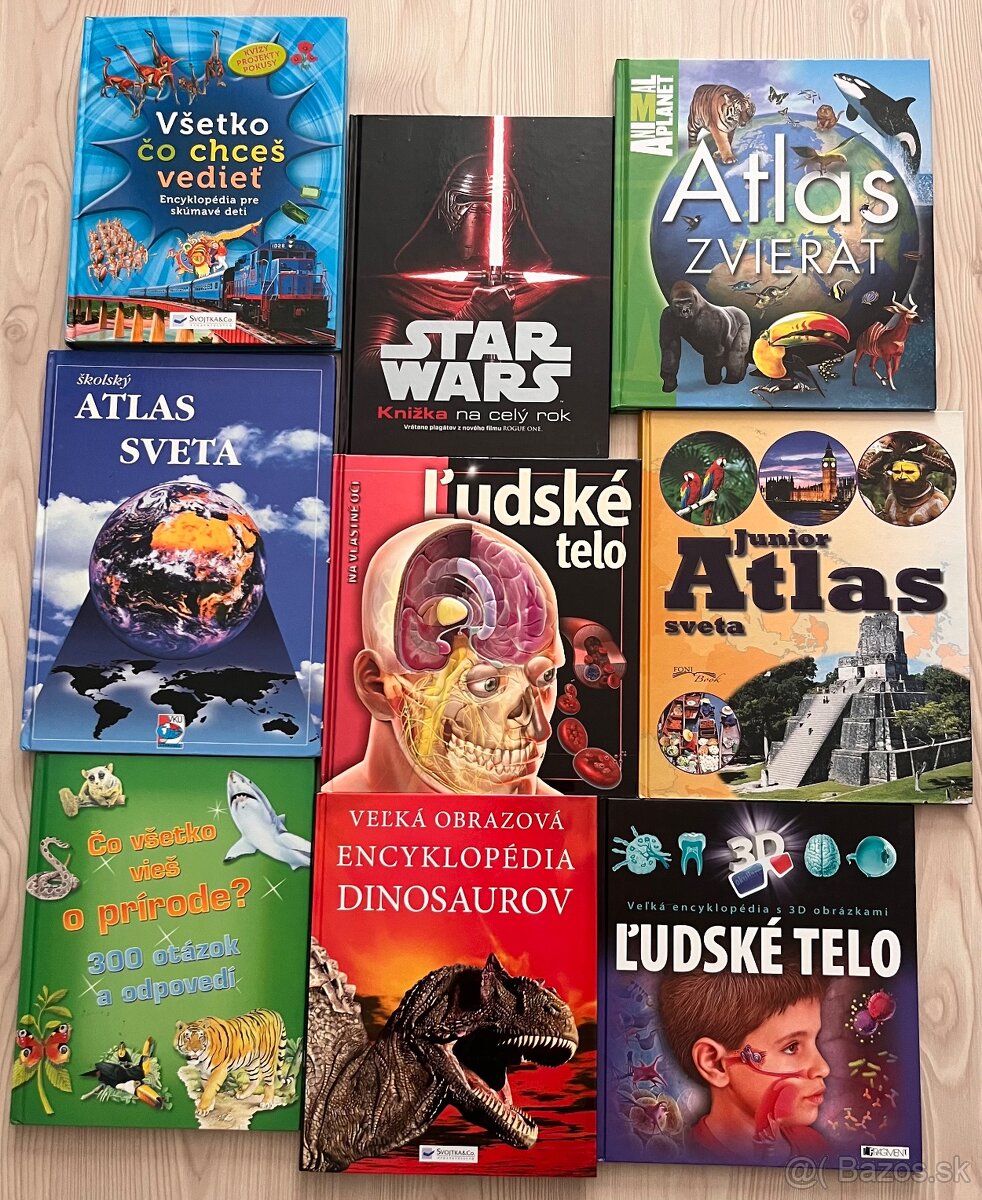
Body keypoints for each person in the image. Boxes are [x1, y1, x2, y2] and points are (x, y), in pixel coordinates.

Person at [658, 967, 830, 1165]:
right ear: (714, 1063)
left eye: (815, 1040)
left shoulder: (814, 1145)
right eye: (791, 1047)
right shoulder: (686, 1160)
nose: (823, 1068)